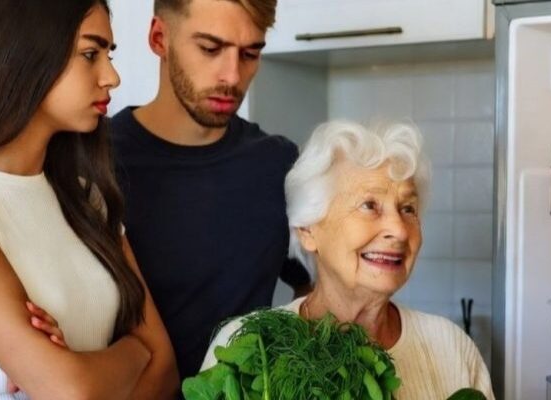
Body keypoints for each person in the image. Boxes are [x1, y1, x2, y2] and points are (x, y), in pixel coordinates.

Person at [0, 1, 179, 398]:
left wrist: (86, 366)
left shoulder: (86, 197)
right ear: (24, 53)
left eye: (108, 54)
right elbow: (69, 390)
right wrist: (134, 352)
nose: (111, 77)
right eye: (89, 54)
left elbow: (164, 369)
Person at [202, 120, 496, 399]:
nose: (398, 230)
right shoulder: (250, 346)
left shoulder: (452, 348)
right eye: (370, 205)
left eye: (408, 208)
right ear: (308, 230)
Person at [110, 0, 312, 380]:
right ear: (159, 38)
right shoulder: (92, 162)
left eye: (250, 53)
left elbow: (312, 283)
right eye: (210, 49)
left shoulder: (279, 164)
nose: (232, 76)